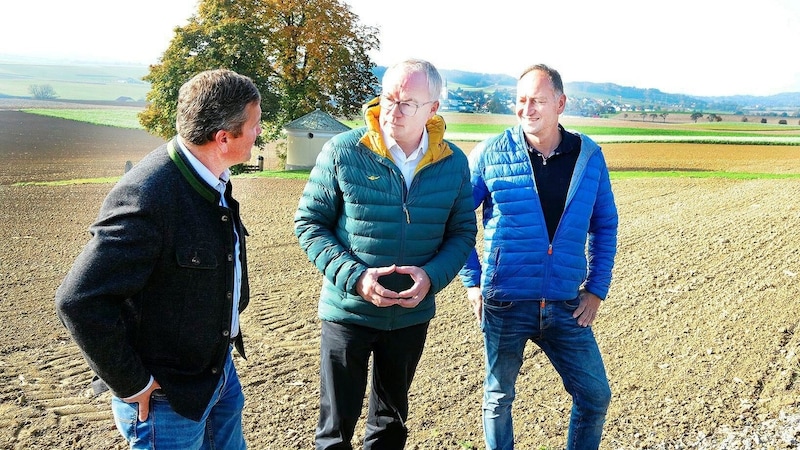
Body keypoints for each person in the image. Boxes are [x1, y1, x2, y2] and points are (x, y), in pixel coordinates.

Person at [55, 68, 262, 449]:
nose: (259, 133)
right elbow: (79, 300)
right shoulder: (148, 197)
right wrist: (132, 383)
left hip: (216, 375)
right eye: (254, 125)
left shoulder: (212, 175)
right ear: (224, 138)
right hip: (168, 399)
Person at [294, 58, 477, 449]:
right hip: (348, 312)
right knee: (334, 430)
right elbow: (309, 224)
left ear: (433, 108)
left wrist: (431, 278)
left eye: (408, 102)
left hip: (410, 316)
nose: (393, 109)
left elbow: (462, 233)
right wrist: (356, 277)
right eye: (389, 97)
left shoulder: (453, 163)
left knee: (390, 427)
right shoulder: (345, 150)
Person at [459, 64, 619, 450]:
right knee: (498, 398)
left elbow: (605, 225)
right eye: (521, 100)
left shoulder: (588, 156)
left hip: (566, 304)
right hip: (506, 301)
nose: (527, 109)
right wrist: (473, 281)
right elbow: (457, 218)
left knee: (595, 395)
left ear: (561, 103)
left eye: (538, 101)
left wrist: (596, 288)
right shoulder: (491, 153)